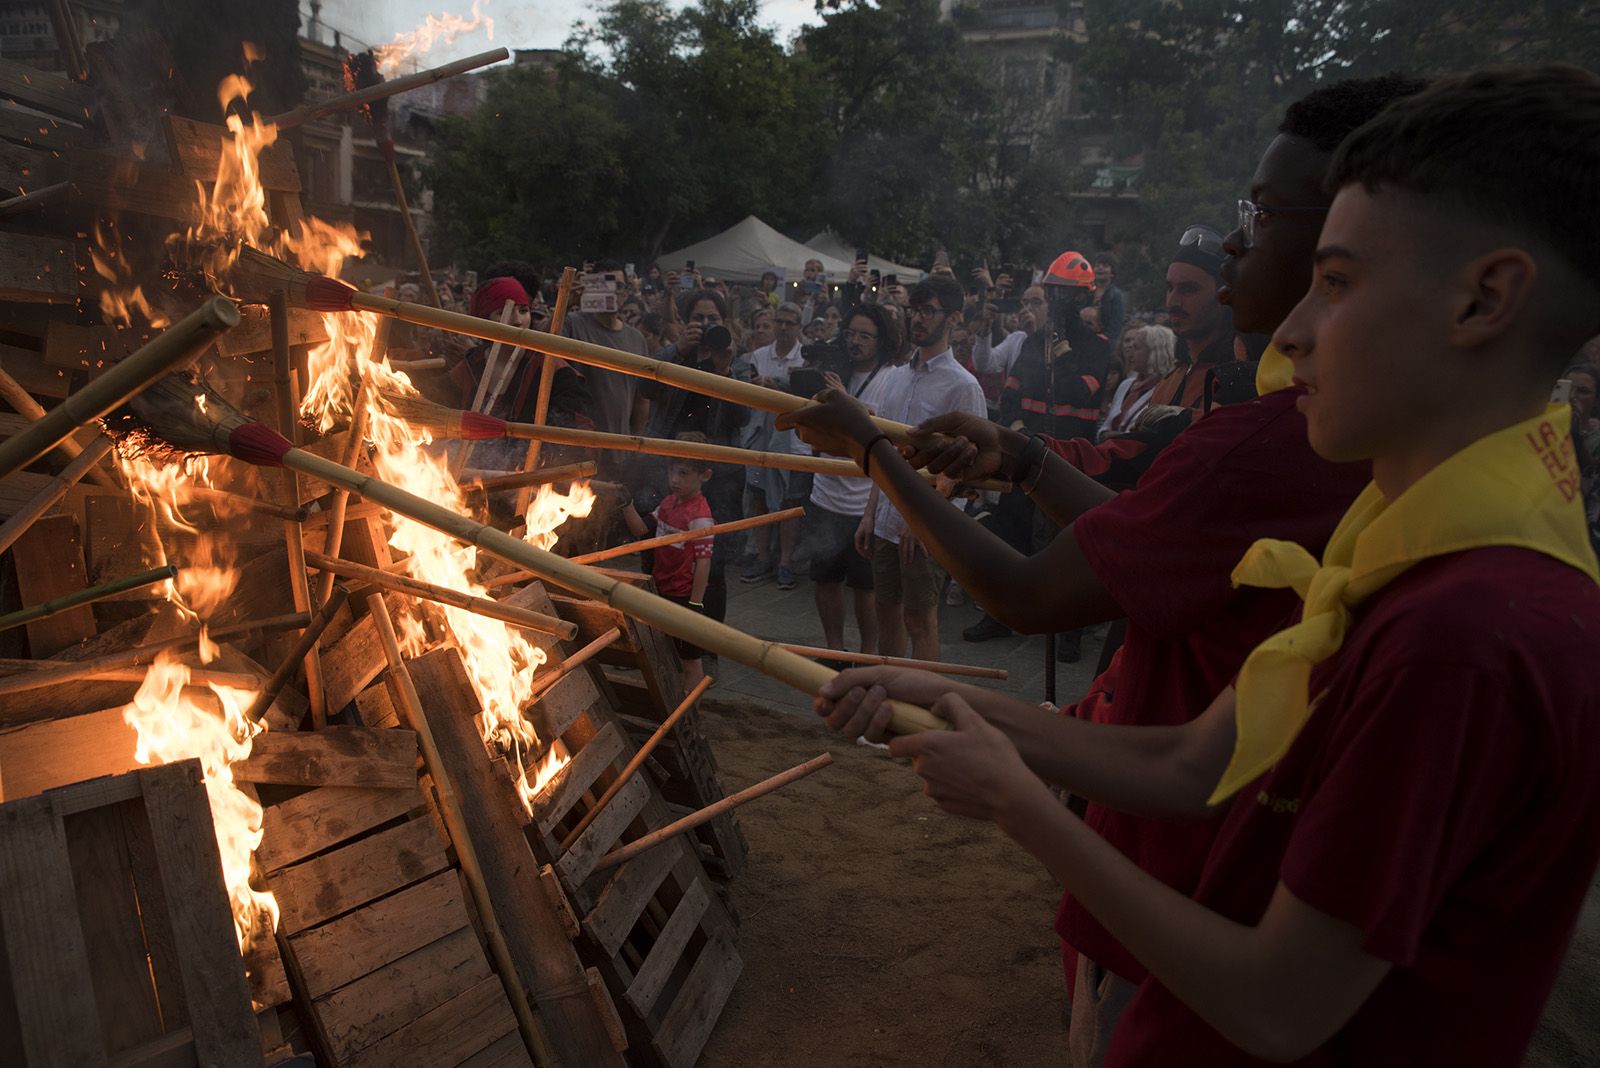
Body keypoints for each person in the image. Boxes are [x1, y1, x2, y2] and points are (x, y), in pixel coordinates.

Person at [818, 64, 1600, 1066]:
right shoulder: (1403, 537)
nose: (1297, 331)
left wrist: (1016, 803)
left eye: (1339, 282)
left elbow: (1278, 1005)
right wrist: (959, 703)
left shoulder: (1462, 636)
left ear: (1483, 298)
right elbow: (1193, 760)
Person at [857, 275, 986, 662]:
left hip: (928, 525)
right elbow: (885, 453)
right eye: (916, 310)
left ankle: (922, 708)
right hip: (886, 518)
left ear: (954, 318)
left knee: (920, 620)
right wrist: (869, 513)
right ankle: (891, 700)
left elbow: (968, 468)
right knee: (886, 614)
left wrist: (922, 520)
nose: (920, 319)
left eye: (929, 311)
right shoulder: (897, 376)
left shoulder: (963, 386)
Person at [995, 251, 1112, 662]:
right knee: (1012, 529)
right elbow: (1010, 397)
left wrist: (1061, 345)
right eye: (1054, 293)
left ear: (1083, 300)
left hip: (1071, 462)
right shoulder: (1030, 343)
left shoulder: (1098, 346)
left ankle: (1070, 632)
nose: (1060, 302)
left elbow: (1081, 391)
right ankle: (1003, 614)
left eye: (1067, 295)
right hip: (1028, 452)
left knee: (1070, 542)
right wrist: (1020, 435)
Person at [803, 302, 900, 658]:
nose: (855, 342)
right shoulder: (834, 368)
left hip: (866, 500)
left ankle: (867, 654)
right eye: (850, 333)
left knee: (865, 587)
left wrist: (845, 401)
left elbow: (885, 433)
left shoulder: (892, 377)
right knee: (824, 577)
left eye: (865, 336)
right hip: (826, 492)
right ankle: (834, 651)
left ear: (882, 340)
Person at [620, 451, 715, 685]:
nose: (674, 479)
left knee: (689, 660)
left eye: (683, 473)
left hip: (683, 595)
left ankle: (689, 715)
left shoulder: (700, 517)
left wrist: (695, 604)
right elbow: (641, 530)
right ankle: (674, 703)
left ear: (705, 475)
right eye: (672, 471)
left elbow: (704, 563)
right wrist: (626, 504)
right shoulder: (668, 503)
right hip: (660, 588)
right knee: (664, 653)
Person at [740, 302, 808, 589]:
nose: (782, 327)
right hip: (761, 439)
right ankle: (763, 556)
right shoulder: (758, 355)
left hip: (793, 442)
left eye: (789, 323)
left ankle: (786, 562)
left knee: (790, 503)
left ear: (798, 327)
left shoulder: (805, 359)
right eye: (779, 321)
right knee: (758, 498)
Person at [1150, 226, 1237, 410]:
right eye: (1169, 288)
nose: (1173, 302)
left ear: (1223, 295)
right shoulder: (1167, 383)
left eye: (1188, 289)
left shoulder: (1237, 383)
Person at [564, 259, 650, 440]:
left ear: (626, 292)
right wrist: (565, 302)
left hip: (620, 447)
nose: (612, 292)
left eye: (618, 286)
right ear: (592, 288)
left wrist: (636, 444)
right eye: (605, 285)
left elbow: (640, 400)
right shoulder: (572, 323)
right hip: (578, 444)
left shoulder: (636, 339)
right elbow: (540, 349)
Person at [1100, 325, 1177, 438]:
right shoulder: (1126, 385)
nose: (1129, 349)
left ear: (1154, 352)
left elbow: (1146, 437)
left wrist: (1114, 437)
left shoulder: (1168, 390)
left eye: (1136, 347)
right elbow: (1105, 428)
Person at [1092, 251, 1127, 341]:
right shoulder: (1086, 293)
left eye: (1105, 266)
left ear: (1112, 273)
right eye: (1097, 265)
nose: (1100, 268)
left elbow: (1116, 325)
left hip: (1107, 344)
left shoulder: (1116, 295)